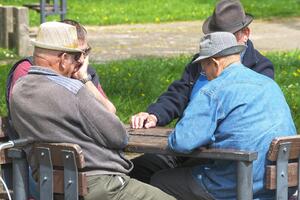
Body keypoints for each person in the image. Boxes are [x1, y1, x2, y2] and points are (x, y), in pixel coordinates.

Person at [9, 22, 176, 200]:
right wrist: (84, 80)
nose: (81, 61)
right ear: (64, 58)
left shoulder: (19, 90)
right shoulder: (72, 90)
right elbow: (118, 135)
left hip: (51, 186)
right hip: (99, 185)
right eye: (76, 57)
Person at [129, 0, 275, 183]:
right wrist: (154, 114)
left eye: (227, 37)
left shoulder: (259, 69)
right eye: (215, 36)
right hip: (186, 143)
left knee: (164, 180)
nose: (220, 44)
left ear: (245, 34)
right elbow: (179, 93)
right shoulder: (202, 62)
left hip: (220, 153)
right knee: (136, 170)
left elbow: (249, 123)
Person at [149, 31, 296, 200]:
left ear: (214, 63)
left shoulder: (214, 90)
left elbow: (181, 142)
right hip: (280, 183)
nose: (204, 72)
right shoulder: (269, 85)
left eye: (204, 67)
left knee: (160, 180)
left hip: (236, 183)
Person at [6, 19, 116, 116]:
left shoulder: (85, 72)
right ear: (63, 55)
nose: (82, 59)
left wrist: (84, 79)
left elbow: (109, 113)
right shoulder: (28, 69)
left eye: (86, 52)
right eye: (77, 54)